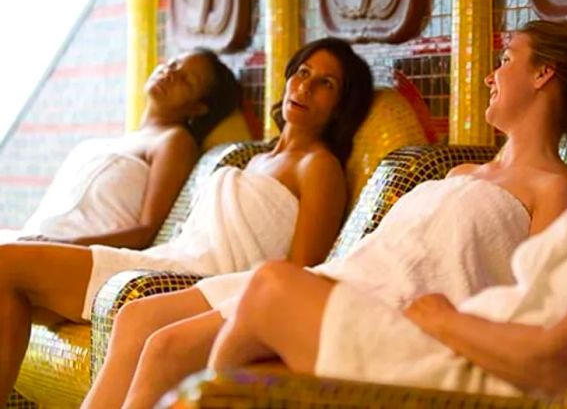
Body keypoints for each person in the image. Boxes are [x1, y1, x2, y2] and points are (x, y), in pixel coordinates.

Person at [82, 21, 567, 409]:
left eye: (506, 59)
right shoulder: (459, 173)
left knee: (173, 352)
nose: (492, 74)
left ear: (543, 75)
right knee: (147, 329)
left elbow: (525, 309)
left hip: (385, 314)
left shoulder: (554, 193)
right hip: (341, 280)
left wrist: (444, 326)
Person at [198, 19, 567, 397]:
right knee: (257, 375)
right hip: (446, 329)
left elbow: (554, 362)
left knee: (271, 289)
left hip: (460, 359)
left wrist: (443, 320)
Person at [0, 37, 375, 405]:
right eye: (303, 72)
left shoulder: (319, 167)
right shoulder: (257, 158)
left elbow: (301, 271)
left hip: (198, 277)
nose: (306, 87)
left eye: (325, 84)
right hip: (169, 260)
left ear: (341, 106)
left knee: (7, 264)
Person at [0, 47, 240, 249]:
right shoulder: (123, 140)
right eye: (173, 64)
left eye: (186, 80)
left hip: (71, 254)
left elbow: (147, 232)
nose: (170, 74)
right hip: (34, 242)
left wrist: (65, 244)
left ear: (198, 109)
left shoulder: (174, 141)